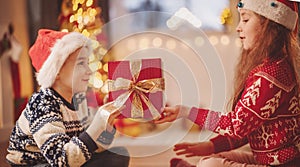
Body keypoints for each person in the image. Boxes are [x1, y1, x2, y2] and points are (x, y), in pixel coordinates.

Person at [155, 0, 299, 166]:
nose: (238, 27)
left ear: (271, 28)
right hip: (269, 160)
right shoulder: (276, 67)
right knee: (214, 158)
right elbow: (249, 129)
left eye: (245, 20)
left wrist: (187, 112)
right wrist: (211, 146)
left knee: (210, 164)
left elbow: (236, 125)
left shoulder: (271, 75)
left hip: (283, 163)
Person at [6, 29, 130, 167]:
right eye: (81, 63)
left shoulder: (78, 100)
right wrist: (95, 127)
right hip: (38, 164)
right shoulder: (42, 103)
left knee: (118, 154)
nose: (89, 71)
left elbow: (92, 147)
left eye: (87, 63)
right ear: (56, 71)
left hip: (66, 158)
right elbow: (61, 160)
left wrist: (108, 120)